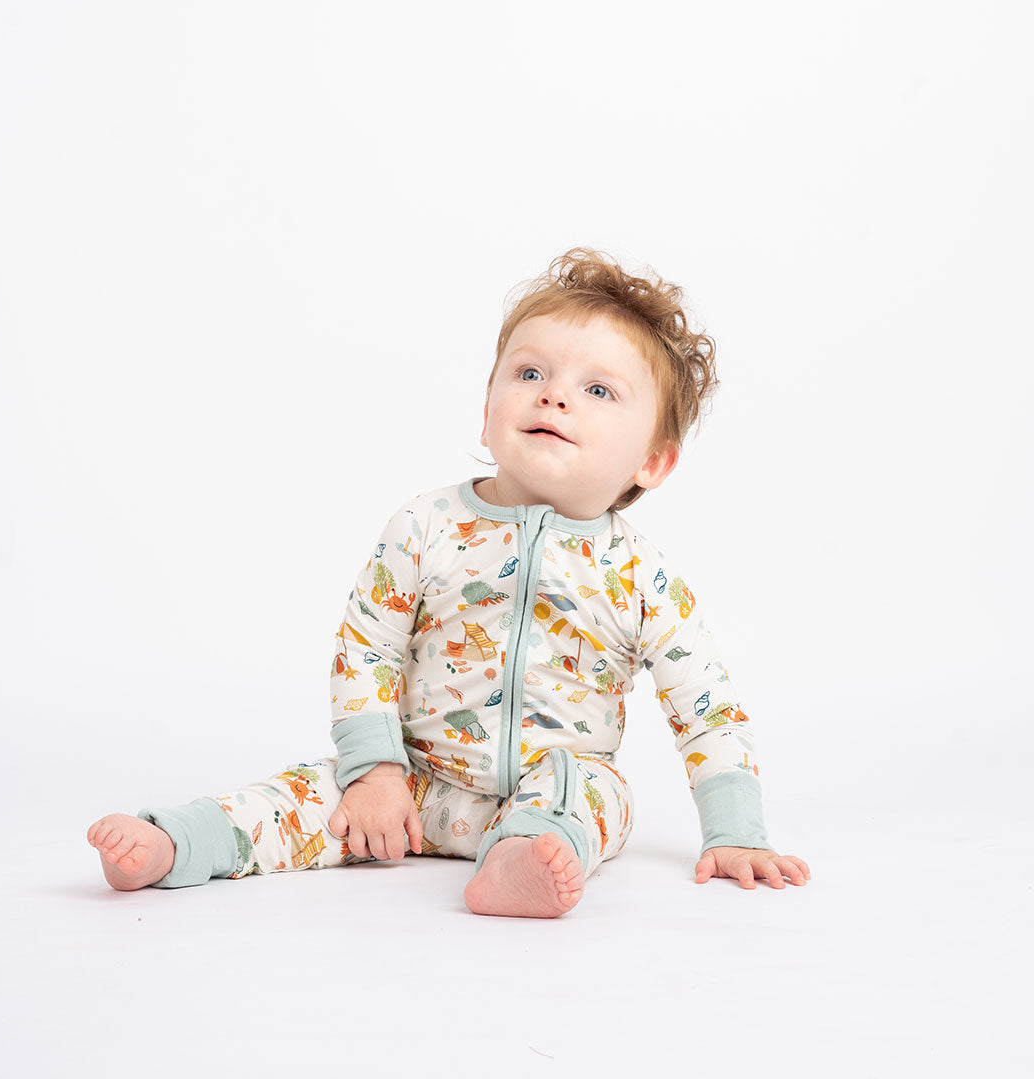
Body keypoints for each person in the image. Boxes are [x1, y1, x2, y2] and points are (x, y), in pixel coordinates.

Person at [87, 247, 810, 917]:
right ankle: (176, 843)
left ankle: (519, 862)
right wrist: (374, 772)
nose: (554, 396)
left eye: (597, 389)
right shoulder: (426, 526)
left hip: (547, 791)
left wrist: (736, 832)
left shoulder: (643, 577)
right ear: (487, 412)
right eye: (529, 374)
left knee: (592, 793)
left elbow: (707, 709)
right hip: (409, 784)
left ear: (652, 462)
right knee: (304, 793)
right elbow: (366, 646)